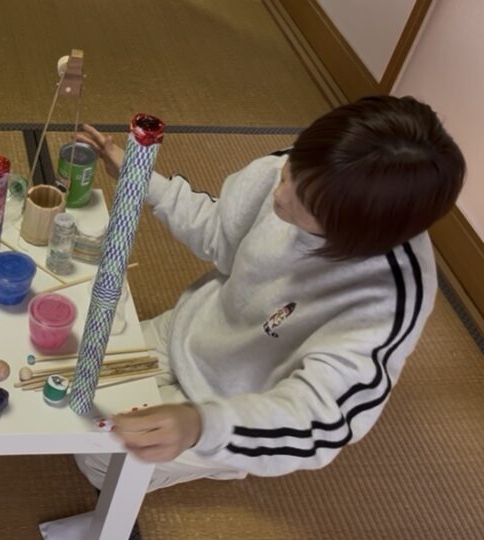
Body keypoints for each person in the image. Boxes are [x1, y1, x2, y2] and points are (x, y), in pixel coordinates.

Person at [72, 95, 465, 491]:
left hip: (238, 405)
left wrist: (205, 427)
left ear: (359, 233)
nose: (281, 195)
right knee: (74, 382)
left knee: (98, 461)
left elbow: (317, 416)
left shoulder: (388, 298)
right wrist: (142, 178)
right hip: (191, 330)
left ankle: (224, 461)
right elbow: (219, 231)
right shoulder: (311, 166)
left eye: (307, 204)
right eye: (288, 175)